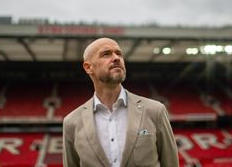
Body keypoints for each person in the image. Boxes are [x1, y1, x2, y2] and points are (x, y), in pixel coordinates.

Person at [62, 37, 179, 167]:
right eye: (106, 54)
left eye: (119, 53)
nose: (116, 58)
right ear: (88, 67)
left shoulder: (155, 111)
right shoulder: (71, 123)